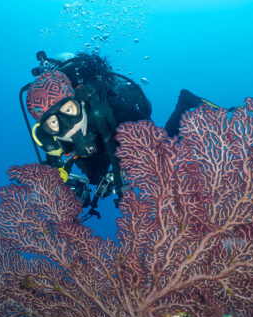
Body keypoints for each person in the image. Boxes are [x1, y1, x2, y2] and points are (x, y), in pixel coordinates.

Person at [22, 51, 217, 210]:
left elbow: (147, 139)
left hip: (116, 125)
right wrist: (62, 178)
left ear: (79, 100)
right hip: (97, 142)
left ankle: (184, 103)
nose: (68, 126)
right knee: (94, 178)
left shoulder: (114, 108)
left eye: (69, 111)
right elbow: (55, 166)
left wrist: (120, 170)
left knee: (162, 152)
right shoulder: (47, 137)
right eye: (54, 123)